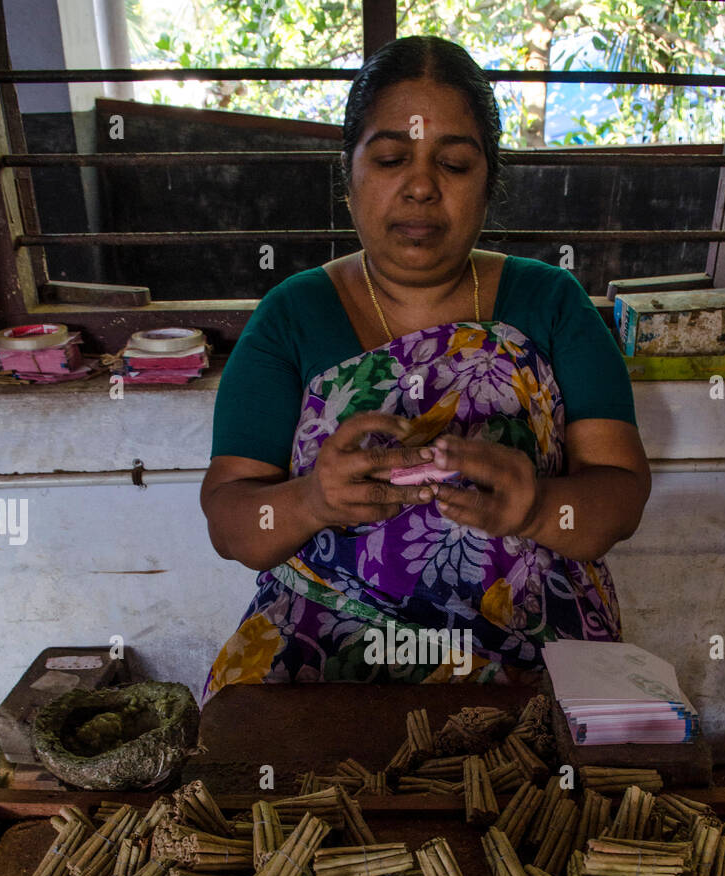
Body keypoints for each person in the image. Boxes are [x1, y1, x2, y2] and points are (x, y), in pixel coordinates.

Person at [200, 35, 650, 698]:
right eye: (389, 158)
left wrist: (536, 509)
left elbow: (619, 498)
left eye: (456, 164)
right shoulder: (291, 317)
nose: (419, 187)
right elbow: (232, 524)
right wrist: (312, 500)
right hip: (324, 654)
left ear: (489, 182)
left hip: (533, 651)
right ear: (347, 177)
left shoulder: (552, 303)